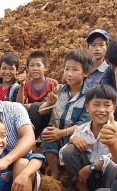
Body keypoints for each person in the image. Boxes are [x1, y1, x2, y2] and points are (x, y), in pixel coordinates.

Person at [59, 84, 117, 191]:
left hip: (109, 179)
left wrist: (91, 167)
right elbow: (63, 155)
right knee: (69, 150)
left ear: (114, 108)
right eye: (96, 104)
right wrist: (73, 141)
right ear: (87, 107)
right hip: (86, 179)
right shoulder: (81, 130)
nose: (101, 110)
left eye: (107, 105)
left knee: (115, 166)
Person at [38, 49, 92, 179]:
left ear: (85, 73)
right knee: (47, 132)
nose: (69, 74)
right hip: (56, 131)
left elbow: (83, 123)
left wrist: (61, 133)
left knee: (61, 138)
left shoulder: (89, 95)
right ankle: (55, 172)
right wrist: (49, 103)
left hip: (75, 135)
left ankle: (72, 177)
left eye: (75, 69)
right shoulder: (60, 89)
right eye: (67, 69)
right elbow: (41, 111)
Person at [16, 50, 59, 137]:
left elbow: (56, 103)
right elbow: (19, 104)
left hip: (48, 118)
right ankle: (33, 136)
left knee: (35, 106)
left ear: (45, 67)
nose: (35, 68)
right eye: (32, 65)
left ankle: (32, 136)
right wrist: (21, 86)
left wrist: (32, 105)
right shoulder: (26, 84)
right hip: (32, 119)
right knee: (33, 107)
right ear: (27, 68)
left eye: (38, 65)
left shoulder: (52, 83)